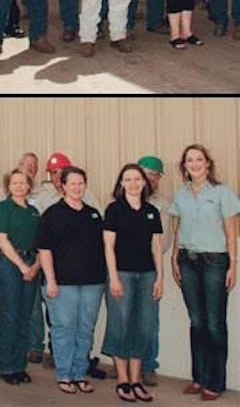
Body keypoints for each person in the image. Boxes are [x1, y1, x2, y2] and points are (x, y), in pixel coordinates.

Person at [169, 144, 240, 401]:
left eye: (199, 159)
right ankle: (198, 378)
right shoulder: (181, 194)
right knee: (196, 322)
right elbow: (179, 228)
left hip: (215, 262)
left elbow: (231, 231)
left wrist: (233, 264)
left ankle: (215, 382)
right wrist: (175, 259)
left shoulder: (223, 193)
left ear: (207, 164)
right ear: (184, 166)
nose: (195, 163)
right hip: (188, 260)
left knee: (214, 324)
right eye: (189, 160)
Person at [36, 166, 106, 395]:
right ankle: (64, 374)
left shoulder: (94, 215)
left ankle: (79, 373)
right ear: (63, 186)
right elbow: (44, 250)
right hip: (62, 284)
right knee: (64, 328)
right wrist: (51, 280)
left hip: (92, 283)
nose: (77, 188)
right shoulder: (52, 214)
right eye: (72, 183)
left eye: (81, 183)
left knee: (85, 329)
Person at [102, 163, 163, 403]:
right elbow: (108, 246)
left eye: (137, 179)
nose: (133, 183)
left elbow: (157, 246)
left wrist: (160, 277)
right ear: (121, 184)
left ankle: (136, 380)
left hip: (147, 275)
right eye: (128, 179)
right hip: (122, 275)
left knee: (144, 326)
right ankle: (122, 380)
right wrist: (114, 277)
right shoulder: (114, 210)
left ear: (144, 183)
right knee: (121, 324)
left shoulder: (152, 211)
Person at [0, 169, 40, 384]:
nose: (19, 186)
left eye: (23, 182)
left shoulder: (34, 211)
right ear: (8, 186)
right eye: (15, 183)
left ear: (29, 186)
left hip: (32, 264)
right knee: (9, 315)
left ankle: (20, 365)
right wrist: (22, 266)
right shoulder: (3, 208)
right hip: (11, 264)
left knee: (25, 315)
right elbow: (1, 239)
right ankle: (7, 365)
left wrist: (35, 266)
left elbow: (42, 244)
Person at [137, 155, 172, 386]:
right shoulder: (119, 201)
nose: (150, 179)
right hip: (123, 269)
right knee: (124, 319)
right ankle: (127, 364)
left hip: (149, 268)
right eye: (146, 173)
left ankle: (148, 366)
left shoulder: (163, 205)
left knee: (149, 320)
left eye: (154, 175)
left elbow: (165, 240)